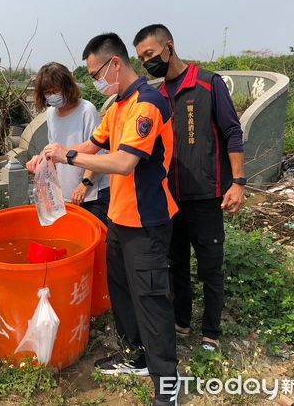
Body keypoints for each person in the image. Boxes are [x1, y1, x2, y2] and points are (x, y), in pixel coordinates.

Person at [35, 33, 179, 406]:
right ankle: (136, 356)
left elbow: (122, 162)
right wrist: (50, 154)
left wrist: (69, 158)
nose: (96, 81)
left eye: (96, 72)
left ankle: (167, 387)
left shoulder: (147, 105)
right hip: (120, 217)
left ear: (115, 63)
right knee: (123, 292)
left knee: (150, 298)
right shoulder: (117, 106)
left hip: (147, 221)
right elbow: (92, 146)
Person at [134, 24, 246, 353]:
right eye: (141, 59)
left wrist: (238, 182)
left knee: (210, 264)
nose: (147, 62)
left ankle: (211, 329)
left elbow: (232, 133)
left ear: (169, 46)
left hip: (208, 195)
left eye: (150, 54)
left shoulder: (208, 84)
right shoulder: (156, 95)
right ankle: (182, 320)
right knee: (176, 263)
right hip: (169, 198)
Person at [25, 62, 110, 225]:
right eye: (47, 93)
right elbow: (55, 150)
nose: (51, 96)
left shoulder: (87, 110)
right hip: (66, 192)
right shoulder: (51, 114)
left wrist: (85, 184)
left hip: (92, 193)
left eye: (55, 91)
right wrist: (41, 161)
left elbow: (97, 151)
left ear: (67, 87)